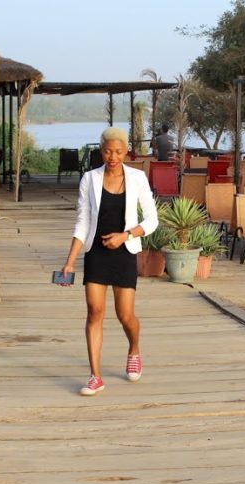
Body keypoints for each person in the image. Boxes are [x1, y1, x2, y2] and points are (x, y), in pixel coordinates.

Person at [60, 127, 159, 396]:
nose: (112, 156)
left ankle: (134, 349)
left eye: (118, 151)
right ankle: (95, 376)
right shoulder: (89, 179)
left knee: (125, 315)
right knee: (94, 312)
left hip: (125, 251)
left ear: (126, 151)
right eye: (107, 151)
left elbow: (152, 220)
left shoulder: (138, 178)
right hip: (97, 254)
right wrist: (69, 261)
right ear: (100, 150)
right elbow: (82, 222)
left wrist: (125, 235)